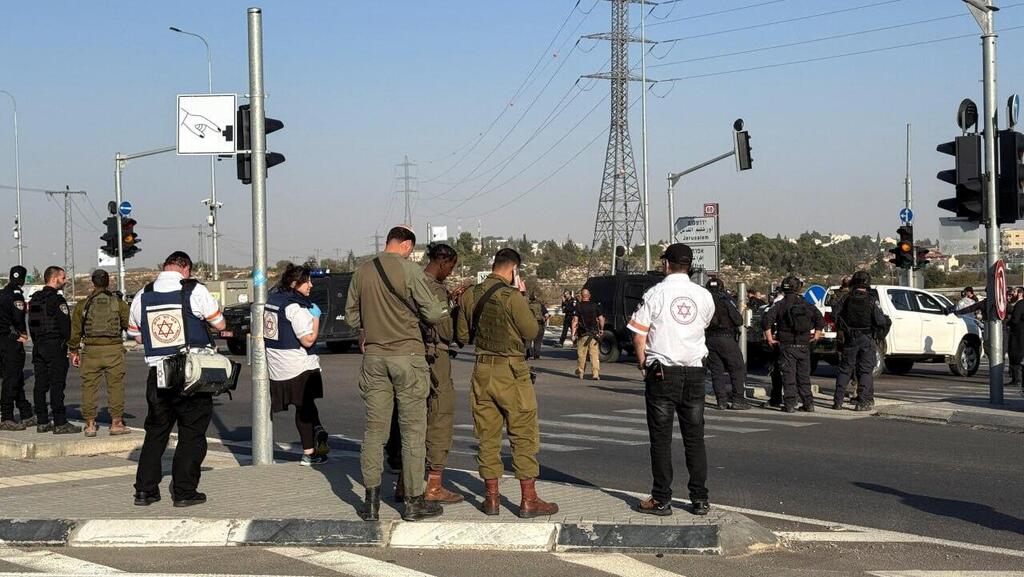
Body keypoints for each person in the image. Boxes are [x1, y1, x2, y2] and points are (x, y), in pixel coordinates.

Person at [345, 226, 450, 522]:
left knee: (374, 432)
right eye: (410, 248)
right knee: (412, 431)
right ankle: (414, 503)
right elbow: (431, 314)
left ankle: (370, 502)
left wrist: (372, 325)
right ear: (405, 245)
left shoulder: (363, 271)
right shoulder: (410, 270)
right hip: (408, 357)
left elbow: (352, 316)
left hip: (375, 358)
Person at [457, 248, 558, 518]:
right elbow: (531, 331)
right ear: (514, 270)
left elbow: (462, 334)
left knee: (487, 436)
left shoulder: (470, 294)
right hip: (511, 372)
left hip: (482, 370)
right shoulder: (512, 297)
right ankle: (528, 500)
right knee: (522, 434)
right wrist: (521, 298)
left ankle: (491, 499)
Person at [128, 251, 224, 507]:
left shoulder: (142, 294)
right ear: (186, 269)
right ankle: (183, 491)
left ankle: (144, 491)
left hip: (157, 374)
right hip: (189, 373)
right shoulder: (195, 290)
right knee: (191, 434)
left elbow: (134, 334)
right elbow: (219, 322)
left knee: (156, 433)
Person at [629, 244, 714, 517]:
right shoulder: (704, 296)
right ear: (689, 265)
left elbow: (639, 334)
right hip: (695, 372)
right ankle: (699, 499)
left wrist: (643, 364)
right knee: (695, 439)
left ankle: (661, 498)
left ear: (666, 264)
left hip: (662, 372)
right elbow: (704, 325)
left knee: (661, 439)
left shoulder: (654, 294)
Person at [387, 242, 466, 504]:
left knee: (410, 419)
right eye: (450, 267)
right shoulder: (434, 289)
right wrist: (455, 308)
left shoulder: (410, 283)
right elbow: (446, 332)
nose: (450, 273)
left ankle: (404, 483)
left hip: (407, 354)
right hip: (434, 357)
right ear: (443, 262)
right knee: (439, 417)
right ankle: (433, 484)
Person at [265, 263, 330, 467]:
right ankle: (309, 453)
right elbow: (308, 340)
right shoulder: (295, 307)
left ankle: (318, 429)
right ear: (294, 283)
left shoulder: (272, 300)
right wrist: (316, 318)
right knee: (304, 408)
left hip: (277, 365)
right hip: (298, 366)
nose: (310, 285)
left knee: (307, 404)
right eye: (306, 281)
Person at [69, 269, 131, 437]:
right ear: (108, 282)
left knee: (89, 387)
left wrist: (73, 351)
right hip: (114, 350)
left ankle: (90, 424)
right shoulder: (118, 303)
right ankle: (116, 423)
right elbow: (128, 324)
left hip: (90, 351)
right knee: (115, 386)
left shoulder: (83, 305)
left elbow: (75, 331)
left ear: (93, 283)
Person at [28, 266, 80, 434]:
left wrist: (39, 342)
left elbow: (33, 326)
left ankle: (42, 420)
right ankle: (60, 422)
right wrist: (69, 346)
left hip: (39, 346)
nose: (65, 281)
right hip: (54, 346)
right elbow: (66, 327)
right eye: (63, 278)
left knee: (40, 384)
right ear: (54, 278)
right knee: (57, 385)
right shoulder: (57, 301)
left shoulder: (35, 299)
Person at [762, 276, 824, 413]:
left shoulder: (780, 304)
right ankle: (808, 403)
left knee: (788, 375)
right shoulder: (806, 304)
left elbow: (766, 320)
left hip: (787, 345)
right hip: (804, 345)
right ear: (798, 288)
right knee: (803, 376)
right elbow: (819, 319)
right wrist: (816, 337)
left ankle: (790, 404)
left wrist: (770, 339)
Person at [832, 271, 890, 412]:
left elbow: (834, 315)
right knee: (865, 371)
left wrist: (845, 327)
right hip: (866, 338)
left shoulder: (845, 298)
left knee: (845, 370)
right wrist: (882, 330)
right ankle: (863, 402)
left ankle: (838, 401)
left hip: (850, 338)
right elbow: (881, 321)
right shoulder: (871, 300)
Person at [705, 278, 749, 411]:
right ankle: (738, 400)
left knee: (716, 371)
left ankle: (721, 401)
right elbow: (738, 320)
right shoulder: (726, 300)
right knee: (737, 368)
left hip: (710, 339)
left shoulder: (704, 301)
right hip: (726, 338)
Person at [0, 266, 34, 430]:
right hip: (11, 341)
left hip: (3, 340)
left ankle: (25, 412)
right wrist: (21, 333)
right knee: (11, 378)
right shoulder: (16, 295)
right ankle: (6, 416)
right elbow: (18, 317)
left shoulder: (2, 293)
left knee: (16, 378)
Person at [571, 288, 604, 380]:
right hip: (593, 335)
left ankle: (581, 372)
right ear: (589, 296)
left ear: (581, 296)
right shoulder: (595, 306)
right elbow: (601, 319)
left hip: (582, 334)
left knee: (581, 354)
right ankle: (595, 374)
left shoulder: (578, 306)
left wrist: (573, 334)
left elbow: (575, 321)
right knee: (594, 355)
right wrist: (601, 329)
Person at [1006, 287, 1024, 393]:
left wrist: (1008, 323)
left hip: (1018, 333)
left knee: (1015, 355)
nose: (1012, 294)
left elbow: (1015, 319)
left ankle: (1016, 379)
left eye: (1015, 292)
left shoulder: (1019, 304)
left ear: (1020, 294)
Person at [526, 292, 548, 360]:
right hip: (539, 324)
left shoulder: (526, 305)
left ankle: (527, 353)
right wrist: (544, 320)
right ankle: (537, 355)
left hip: (529, 324)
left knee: (528, 340)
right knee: (538, 341)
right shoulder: (540, 305)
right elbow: (546, 314)